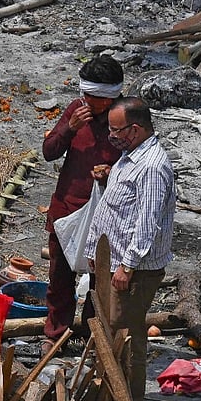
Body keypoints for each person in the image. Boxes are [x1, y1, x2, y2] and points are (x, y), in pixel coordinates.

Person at [84, 96, 175, 401]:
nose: (112, 136)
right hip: (117, 260)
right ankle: (110, 392)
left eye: (116, 130)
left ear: (135, 130)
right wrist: (109, 179)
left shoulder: (152, 167)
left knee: (127, 334)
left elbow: (148, 223)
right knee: (111, 328)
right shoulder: (131, 155)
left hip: (133, 268)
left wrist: (127, 266)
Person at [41, 55, 124, 356]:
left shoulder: (126, 117)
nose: (88, 101)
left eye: (95, 97)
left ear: (112, 96)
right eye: (85, 94)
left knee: (99, 279)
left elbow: (141, 163)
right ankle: (55, 333)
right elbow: (49, 151)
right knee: (60, 275)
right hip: (67, 207)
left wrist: (113, 172)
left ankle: (92, 336)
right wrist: (69, 129)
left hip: (108, 213)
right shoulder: (77, 111)